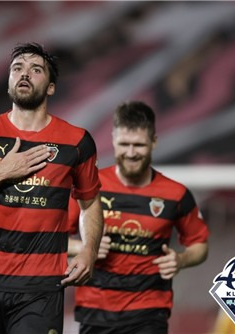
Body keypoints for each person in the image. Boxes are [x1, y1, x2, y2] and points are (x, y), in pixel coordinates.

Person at [0, 42, 104, 334]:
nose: (24, 74)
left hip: (40, 287)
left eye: (35, 69)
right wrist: (0, 173)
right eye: (17, 68)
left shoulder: (77, 142)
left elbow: (90, 203)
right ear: (9, 82)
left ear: (51, 87)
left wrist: (89, 251)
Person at [68, 101, 209, 334]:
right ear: (113, 139)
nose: (131, 153)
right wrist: (84, 246)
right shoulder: (89, 187)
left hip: (149, 313)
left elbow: (200, 244)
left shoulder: (176, 194)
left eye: (139, 145)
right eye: (124, 144)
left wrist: (181, 260)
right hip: (95, 312)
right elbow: (49, 240)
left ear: (154, 141)